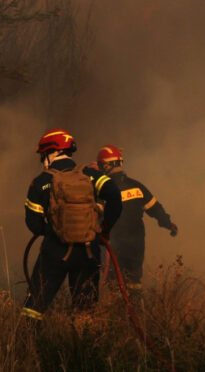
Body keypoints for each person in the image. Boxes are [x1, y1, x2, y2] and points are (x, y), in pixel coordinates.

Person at [21, 129, 122, 321]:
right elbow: (115, 197)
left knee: (33, 309)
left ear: (51, 153)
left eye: (43, 155)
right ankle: (83, 347)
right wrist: (103, 230)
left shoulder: (40, 181)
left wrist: (53, 231)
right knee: (85, 313)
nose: (43, 160)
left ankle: (28, 345)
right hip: (88, 252)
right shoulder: (91, 174)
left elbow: (33, 224)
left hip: (54, 253)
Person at [96, 145, 178, 291]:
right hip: (136, 243)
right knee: (134, 280)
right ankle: (136, 309)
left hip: (113, 244)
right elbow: (155, 209)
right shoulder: (136, 186)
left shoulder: (103, 190)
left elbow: (95, 214)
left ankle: (116, 311)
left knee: (114, 281)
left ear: (106, 166)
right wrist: (168, 224)